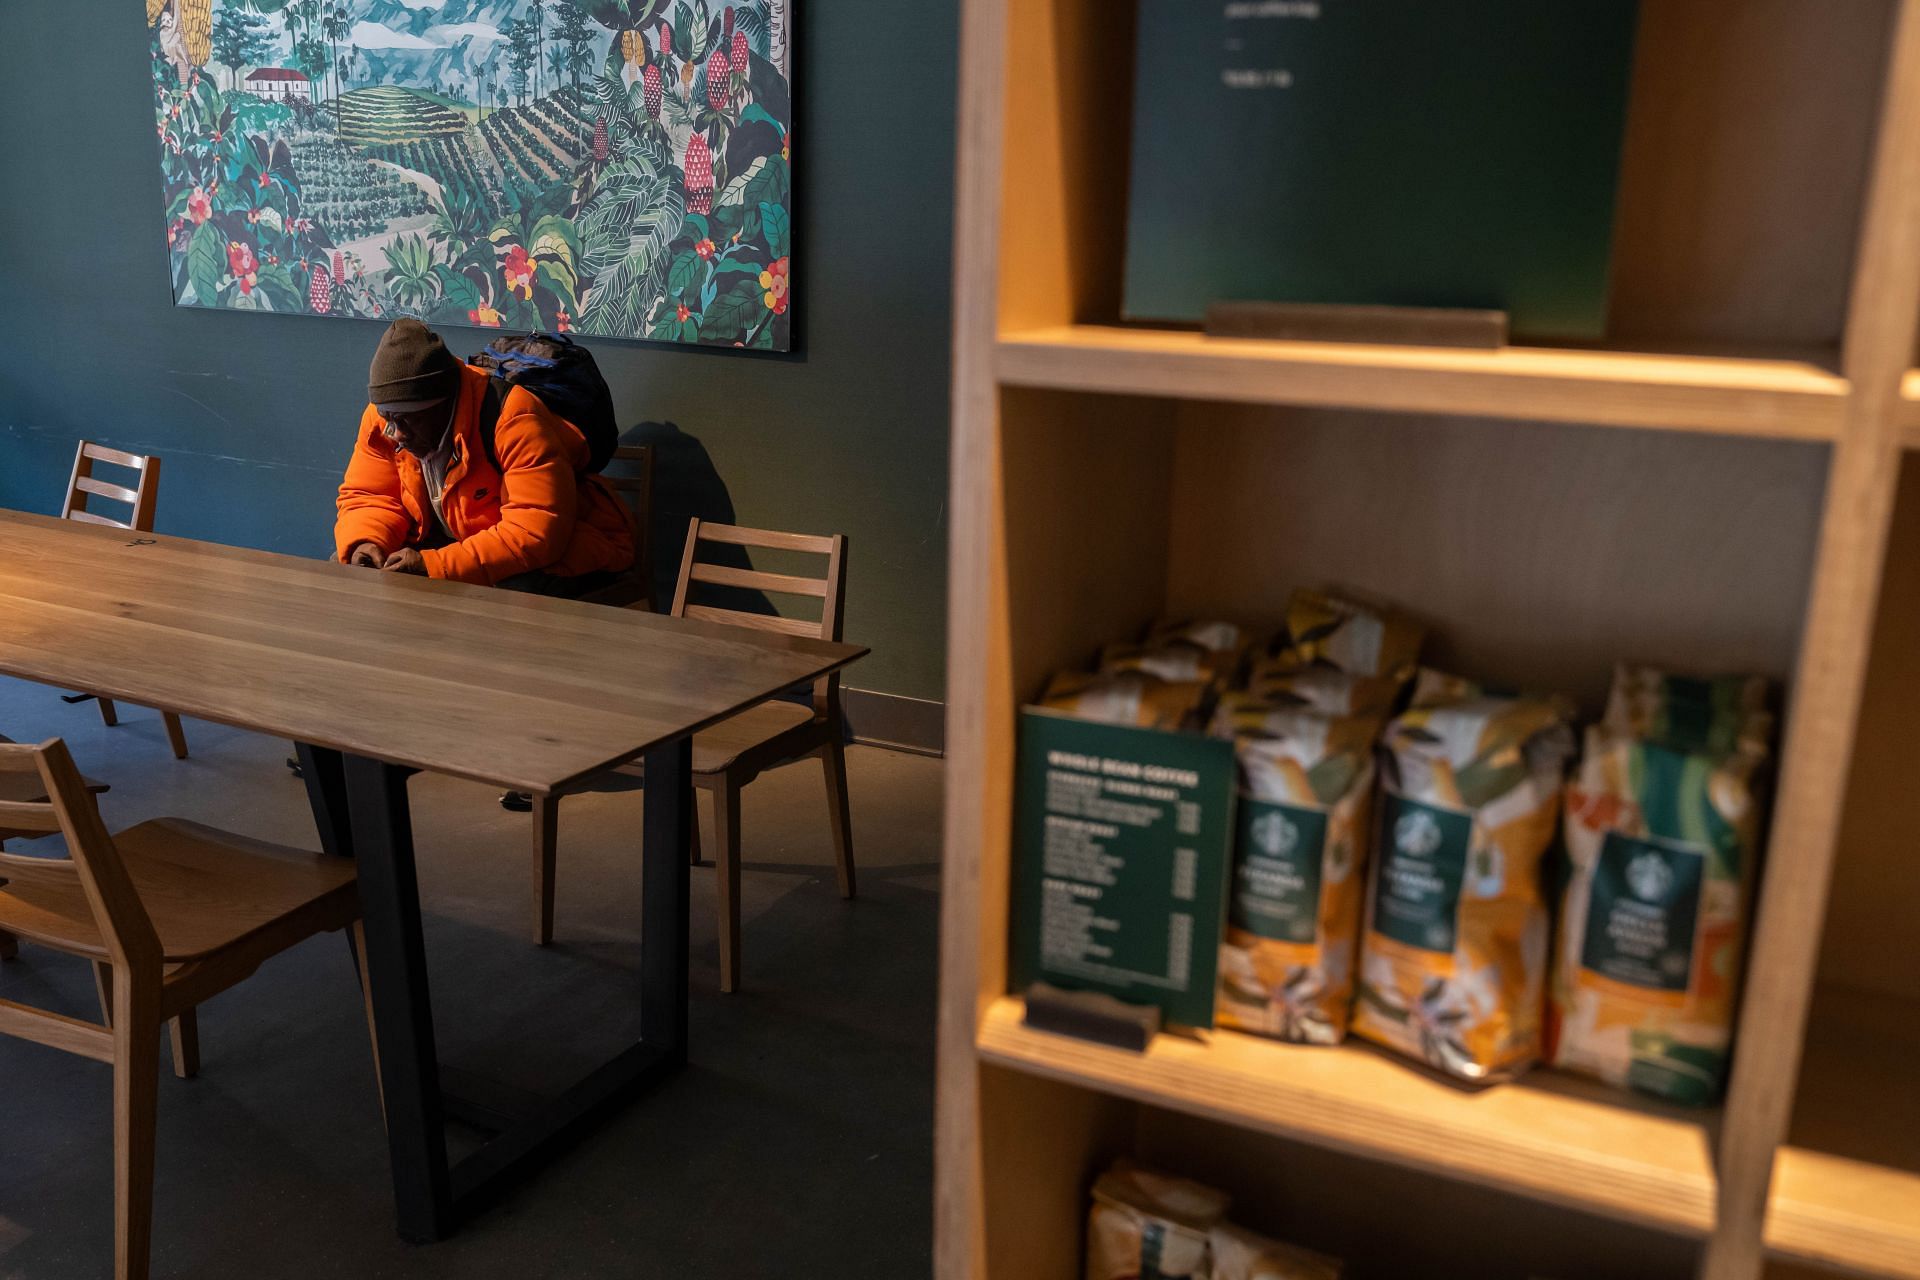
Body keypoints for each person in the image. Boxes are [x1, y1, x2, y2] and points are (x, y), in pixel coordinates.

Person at [335, 318, 634, 594]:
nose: (395, 433)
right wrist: (366, 540)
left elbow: (534, 532)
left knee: (511, 592)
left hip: (568, 545)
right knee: (348, 560)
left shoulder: (512, 417)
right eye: (388, 417)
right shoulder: (386, 417)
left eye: (407, 420)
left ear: (443, 405)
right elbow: (369, 495)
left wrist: (436, 566)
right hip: (463, 540)